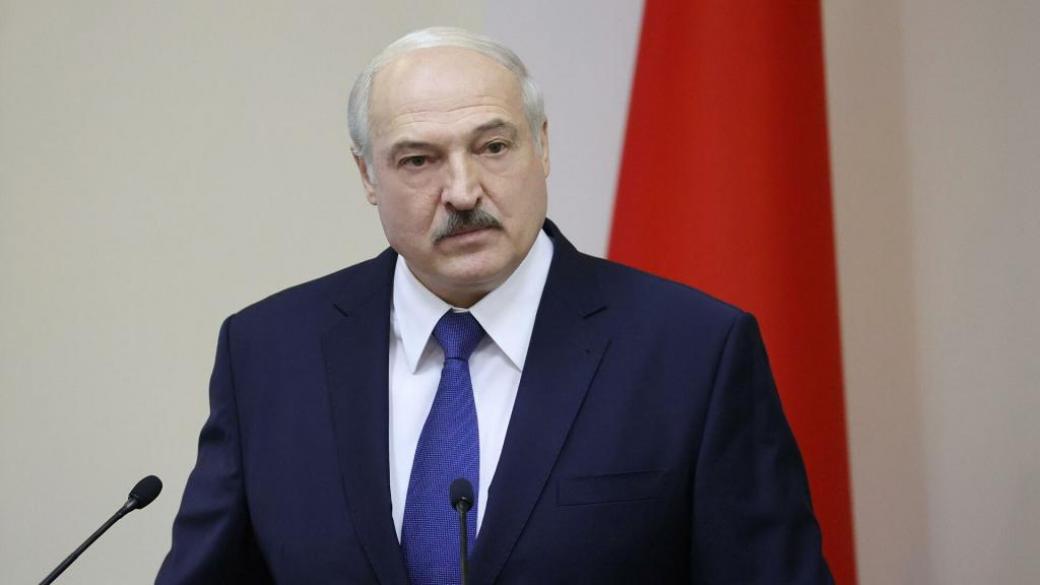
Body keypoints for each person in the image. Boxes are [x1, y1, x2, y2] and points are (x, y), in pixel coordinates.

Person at [156, 27, 833, 584]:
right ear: (367, 175)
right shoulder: (268, 354)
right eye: (418, 160)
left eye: (493, 147)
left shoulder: (694, 352)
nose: (462, 190)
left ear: (542, 146)